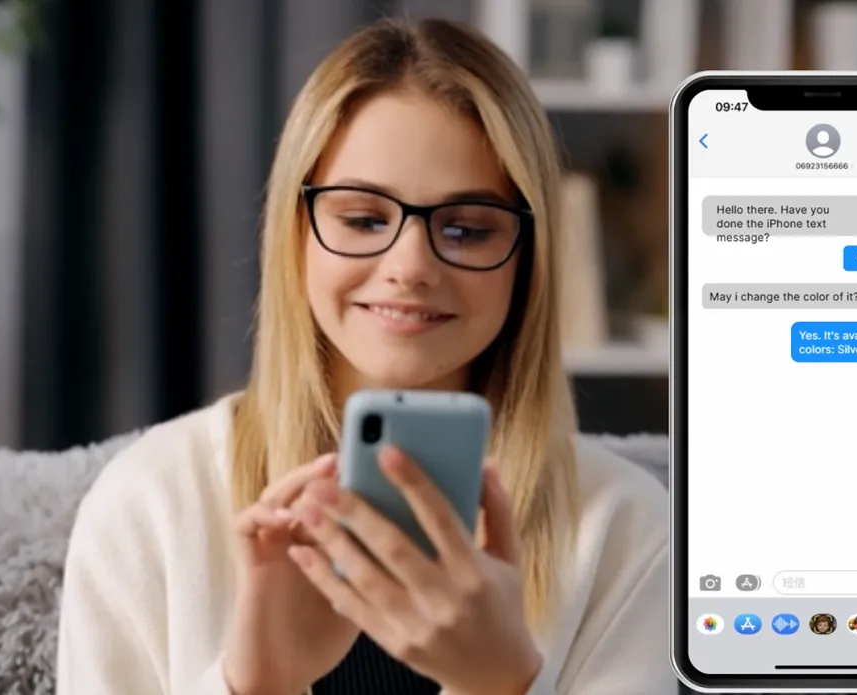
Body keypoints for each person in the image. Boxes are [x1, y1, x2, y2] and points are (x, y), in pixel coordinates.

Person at [56, 17, 670, 695]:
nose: (410, 266)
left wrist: (501, 684)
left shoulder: (627, 525)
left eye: (466, 229)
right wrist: (254, 684)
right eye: (363, 219)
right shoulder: (150, 499)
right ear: (296, 235)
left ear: (528, 262)